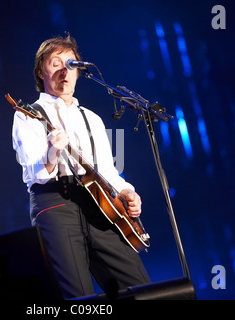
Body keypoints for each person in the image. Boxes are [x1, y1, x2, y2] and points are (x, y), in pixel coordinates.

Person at [12, 34, 150, 299]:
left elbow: (108, 170)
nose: (65, 70)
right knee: (77, 296)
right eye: (56, 64)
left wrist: (126, 191)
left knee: (139, 288)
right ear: (42, 71)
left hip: (100, 203)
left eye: (71, 64)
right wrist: (53, 152)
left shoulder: (93, 119)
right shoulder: (26, 114)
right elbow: (34, 173)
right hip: (55, 203)